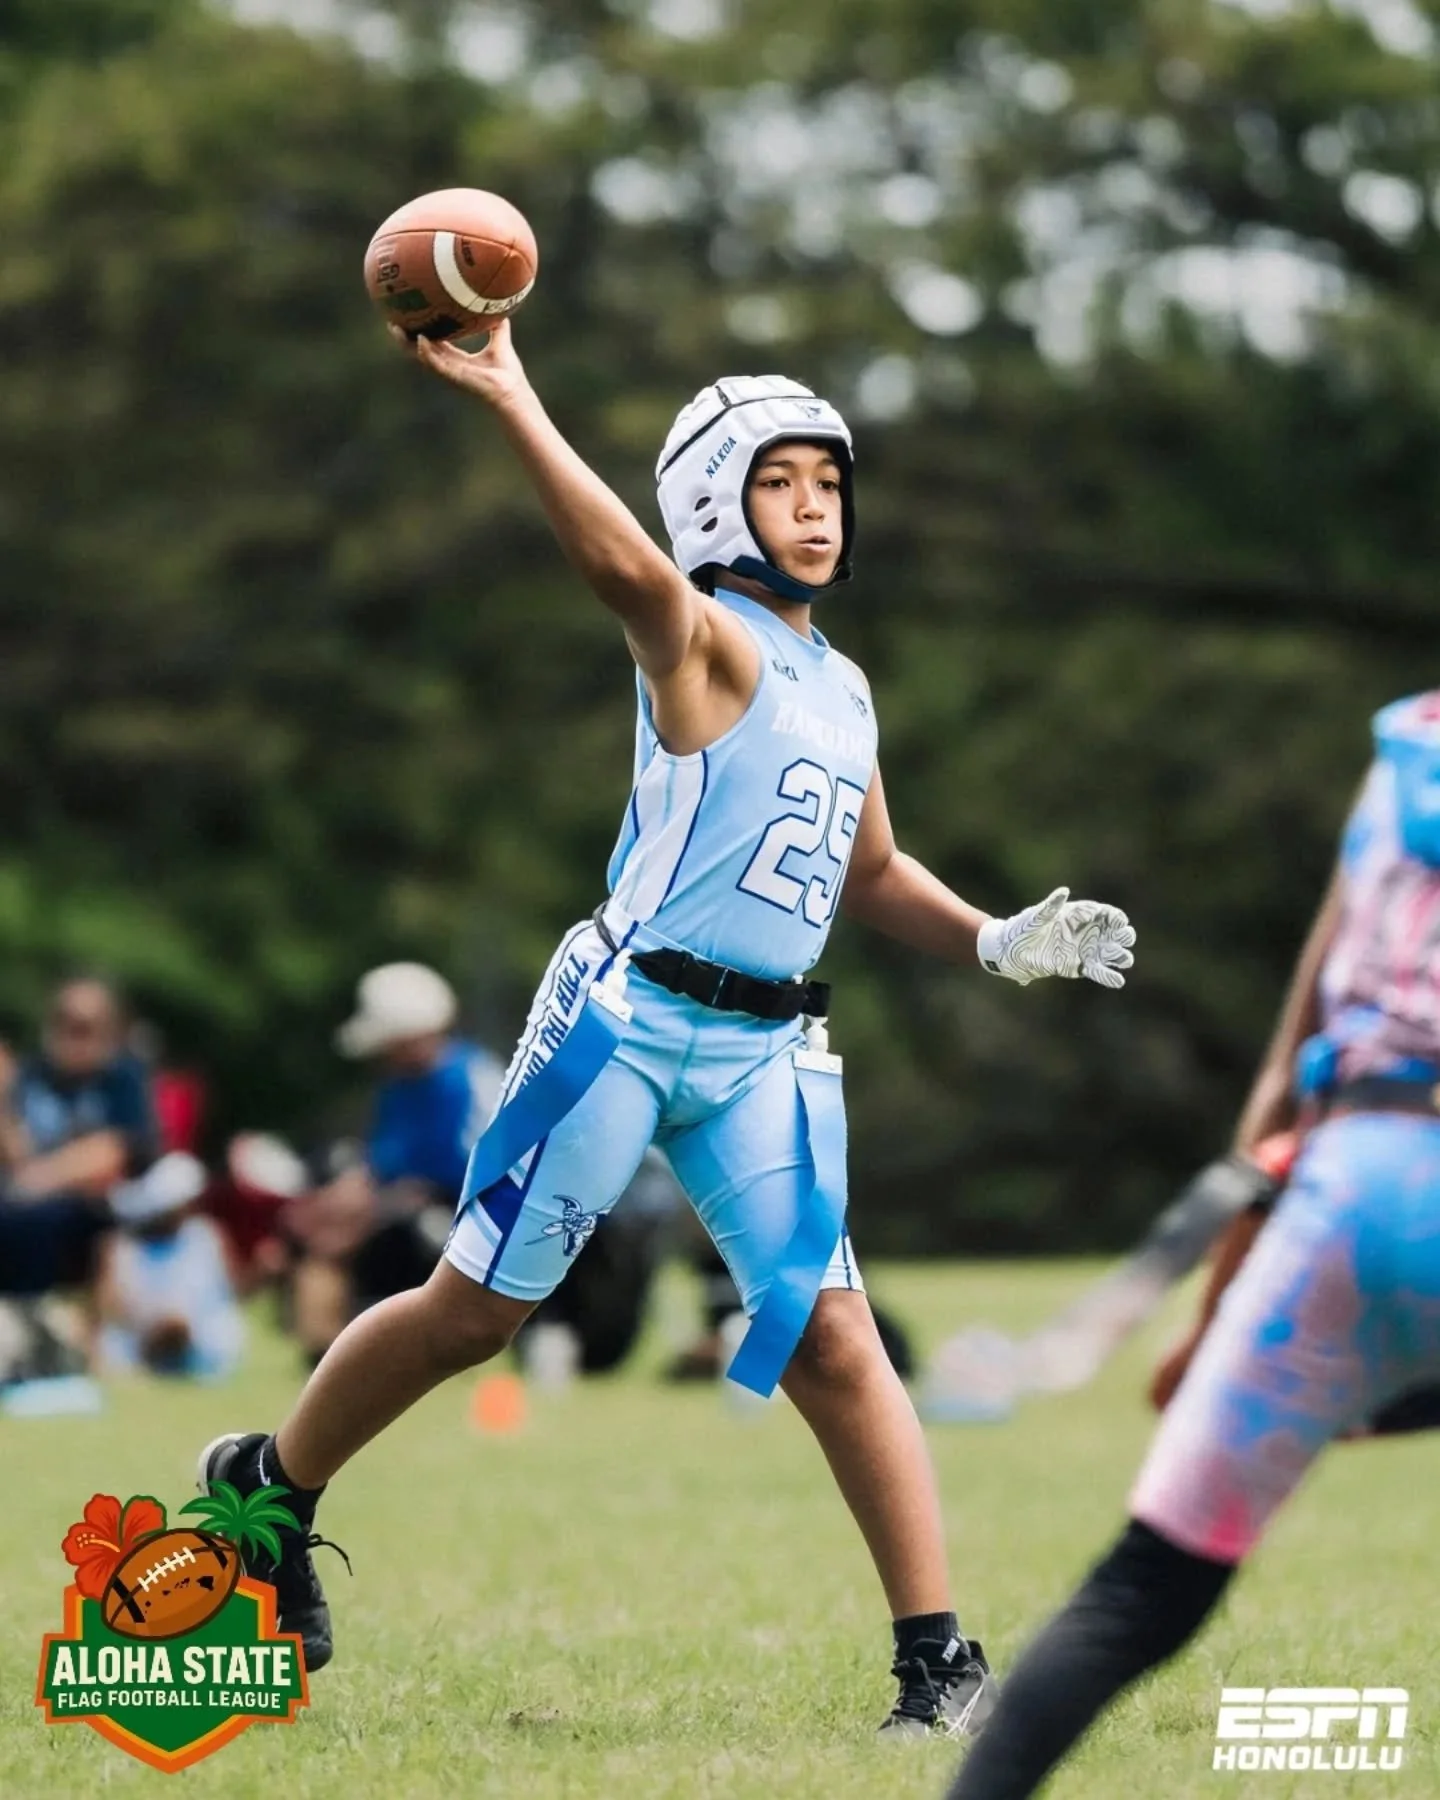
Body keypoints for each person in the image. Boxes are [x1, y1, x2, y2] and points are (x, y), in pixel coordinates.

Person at [198, 330, 1135, 1735]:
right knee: (477, 1317)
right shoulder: (699, 638)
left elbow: (870, 873)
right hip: (626, 1021)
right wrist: (512, 387)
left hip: (764, 1050)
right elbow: (627, 572)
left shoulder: (845, 683)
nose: (818, 506)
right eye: (783, 483)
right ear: (712, 503)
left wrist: (997, 937)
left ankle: (939, 1661)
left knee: (831, 1333)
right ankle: (268, 1487)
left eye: (831, 482)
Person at [945, 689, 1440, 1799]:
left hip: (1358, 1182)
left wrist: (1240, 1264)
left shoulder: (1407, 749)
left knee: (1141, 1594)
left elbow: (1297, 1040)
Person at [285, 963, 505, 1360]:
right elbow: (383, 1163)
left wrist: (373, 1209)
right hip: (402, 1206)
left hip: (453, 1216)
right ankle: (330, 1345)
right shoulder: (400, 1088)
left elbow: (477, 1171)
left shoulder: (466, 1080)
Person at [0, 975, 158, 1301]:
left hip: (89, 1213)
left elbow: (117, 1149)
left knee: (39, 1219)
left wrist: (38, 1179)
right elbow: (16, 1157)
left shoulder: (121, 1079)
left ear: (108, 1032)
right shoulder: (31, 1074)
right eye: (62, 1021)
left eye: (84, 1026)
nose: (70, 1035)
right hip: (22, 1202)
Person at [95, 1151, 244, 1380]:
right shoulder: (121, 1247)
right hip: (138, 1338)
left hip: (202, 1342)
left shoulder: (207, 1237)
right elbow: (111, 1307)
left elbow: (229, 1292)